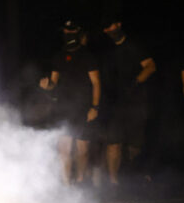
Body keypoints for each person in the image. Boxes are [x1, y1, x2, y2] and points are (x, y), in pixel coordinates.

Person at [40, 21, 101, 185]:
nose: (68, 33)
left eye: (71, 30)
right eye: (65, 30)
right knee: (64, 149)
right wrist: (47, 86)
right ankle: (66, 184)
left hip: (83, 107)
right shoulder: (59, 56)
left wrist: (95, 107)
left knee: (83, 150)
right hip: (63, 108)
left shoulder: (88, 56)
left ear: (78, 32)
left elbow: (96, 82)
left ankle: (81, 180)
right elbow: (53, 83)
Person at [100, 21, 156, 187]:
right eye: (108, 27)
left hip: (135, 102)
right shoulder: (107, 51)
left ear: (119, 25)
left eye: (114, 25)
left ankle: (133, 177)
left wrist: (136, 82)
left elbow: (151, 66)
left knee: (134, 145)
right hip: (115, 104)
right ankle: (113, 183)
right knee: (113, 143)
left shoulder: (134, 45)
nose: (111, 29)